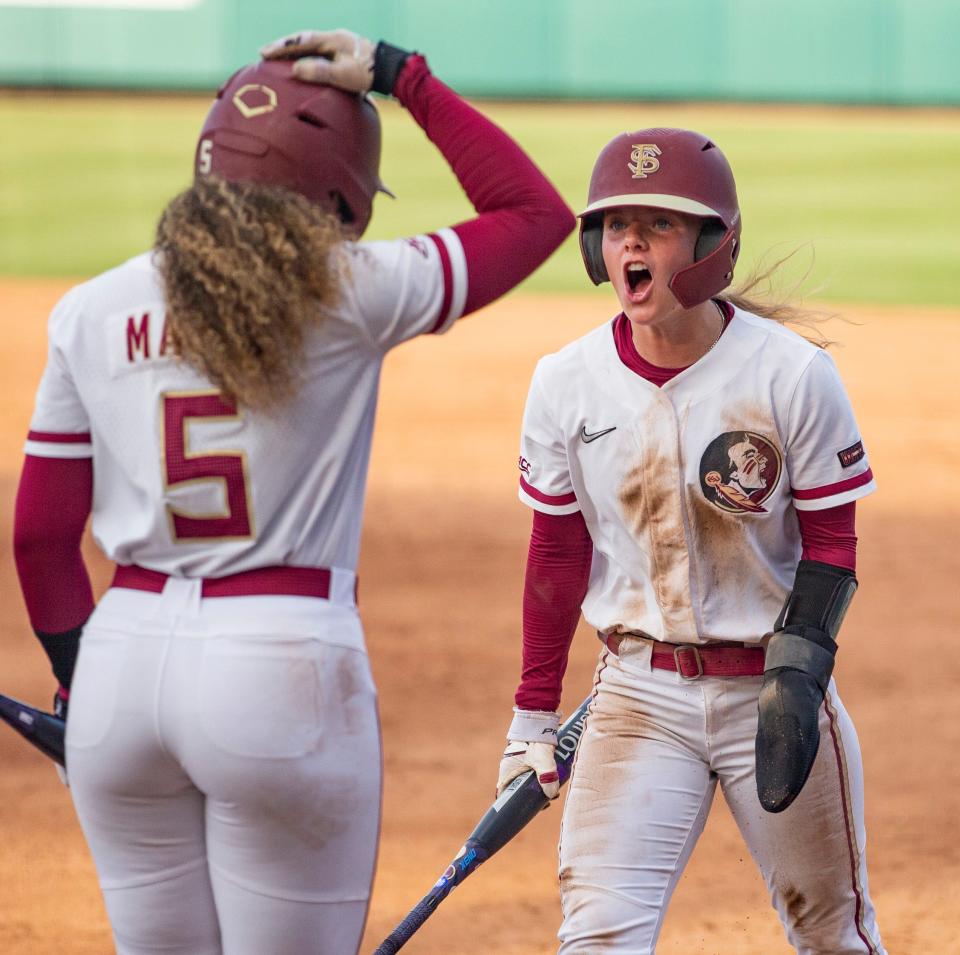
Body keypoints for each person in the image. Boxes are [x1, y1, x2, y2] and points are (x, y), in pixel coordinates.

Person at [13, 29, 573, 955]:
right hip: (278, 666)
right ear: (340, 192)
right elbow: (533, 213)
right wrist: (405, 78)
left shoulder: (89, 309)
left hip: (121, 663)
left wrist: (82, 687)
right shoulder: (351, 289)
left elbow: (40, 540)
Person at [496, 128, 885, 954]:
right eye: (616, 223)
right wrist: (532, 713)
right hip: (638, 699)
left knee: (832, 936)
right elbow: (556, 555)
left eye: (660, 224)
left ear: (713, 246)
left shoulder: (790, 376)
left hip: (770, 691)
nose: (630, 240)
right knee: (596, 937)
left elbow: (833, 542)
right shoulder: (565, 381)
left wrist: (799, 672)